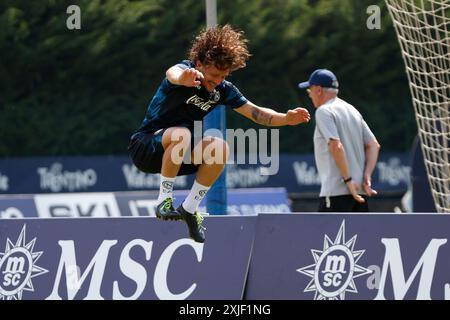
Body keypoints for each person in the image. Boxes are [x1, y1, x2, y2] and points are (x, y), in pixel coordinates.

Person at [128, 25, 310, 243]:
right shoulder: (186, 70)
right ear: (199, 64)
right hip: (146, 146)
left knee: (219, 148)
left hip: (177, 153)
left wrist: (286, 119)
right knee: (182, 134)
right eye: (214, 75)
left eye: (223, 76)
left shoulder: (222, 90)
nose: (217, 81)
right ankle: (164, 200)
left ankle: (190, 208)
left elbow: (256, 113)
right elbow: (172, 73)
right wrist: (182, 79)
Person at [298, 69, 380, 212]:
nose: (310, 95)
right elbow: (373, 145)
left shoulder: (324, 111)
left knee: (324, 235)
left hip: (336, 193)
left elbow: (336, 146)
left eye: (309, 90)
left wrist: (348, 181)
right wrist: (366, 177)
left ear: (318, 90)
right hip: (360, 193)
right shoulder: (352, 110)